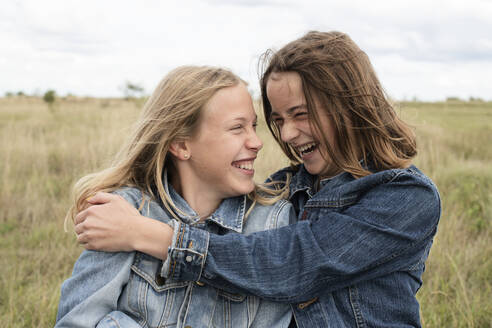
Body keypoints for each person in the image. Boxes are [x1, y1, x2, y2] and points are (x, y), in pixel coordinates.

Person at [75, 31, 441, 327]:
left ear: (348, 106)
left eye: (300, 114)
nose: (285, 135)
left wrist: (149, 234)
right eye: (278, 120)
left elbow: (295, 263)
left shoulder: (405, 195)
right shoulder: (285, 192)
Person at [56, 66, 294, 327]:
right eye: (237, 128)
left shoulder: (272, 221)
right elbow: (76, 321)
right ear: (181, 145)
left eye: (254, 125)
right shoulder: (124, 212)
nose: (256, 142)